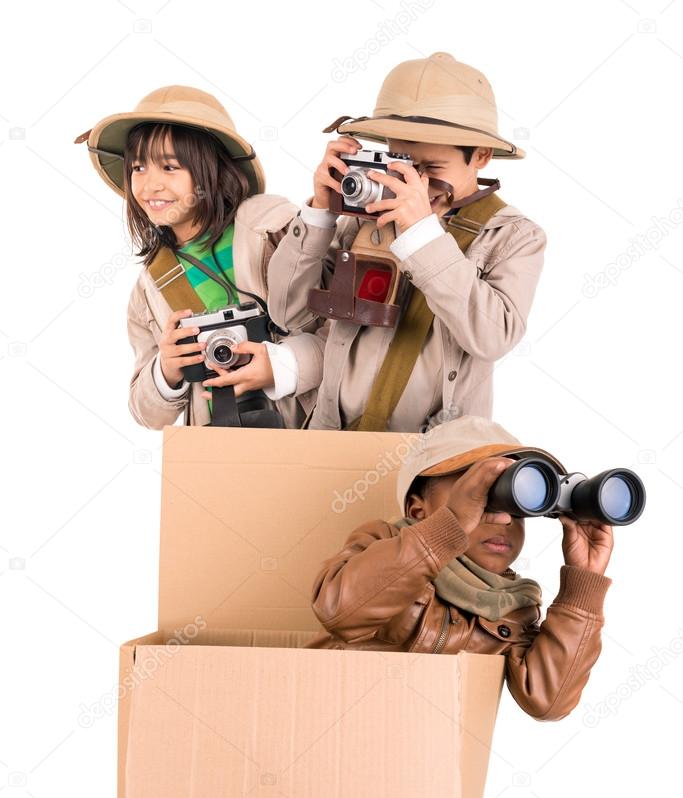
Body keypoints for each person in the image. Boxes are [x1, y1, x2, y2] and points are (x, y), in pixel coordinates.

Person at [266, 52, 547, 432]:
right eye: (400, 165)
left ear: (481, 156)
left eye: (430, 169)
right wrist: (320, 213)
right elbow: (289, 314)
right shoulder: (363, 222)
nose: (412, 183)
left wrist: (421, 234)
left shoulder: (514, 236)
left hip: (434, 463)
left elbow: (492, 337)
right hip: (331, 443)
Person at [307, 417, 614, 721]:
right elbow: (338, 610)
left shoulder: (512, 607)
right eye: (483, 500)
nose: (505, 520)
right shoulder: (382, 543)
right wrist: (448, 527)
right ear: (418, 510)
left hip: (417, 750)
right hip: (326, 720)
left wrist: (582, 587)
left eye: (515, 509)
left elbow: (548, 701)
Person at [75, 85, 322, 429]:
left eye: (169, 167)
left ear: (212, 171)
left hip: (311, 432)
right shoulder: (149, 289)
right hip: (217, 448)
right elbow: (146, 413)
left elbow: (341, 338)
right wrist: (167, 369)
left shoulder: (271, 228)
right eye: (137, 168)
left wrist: (281, 364)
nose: (150, 186)